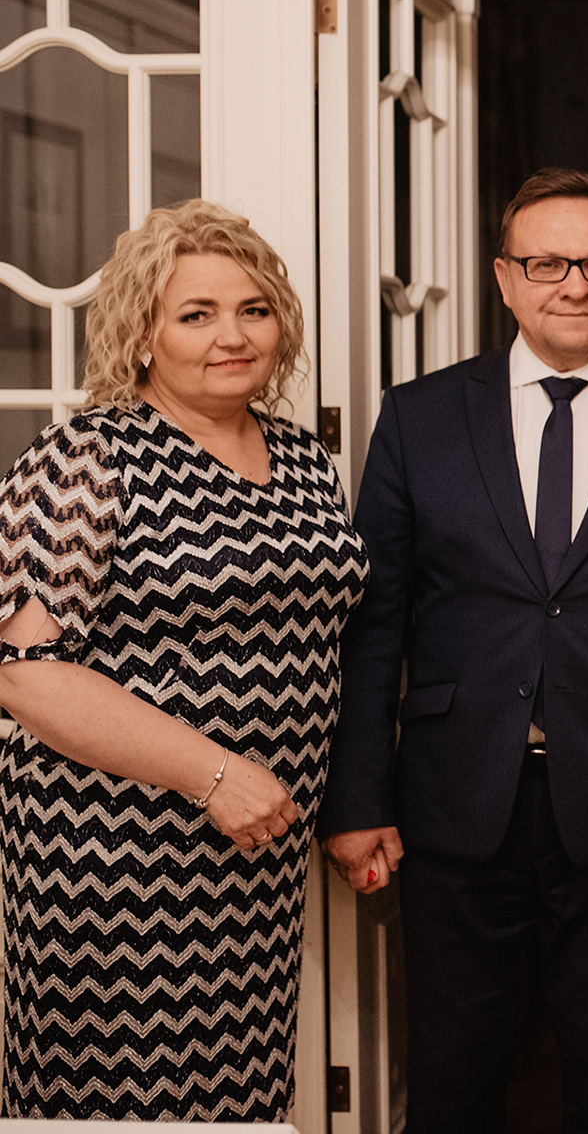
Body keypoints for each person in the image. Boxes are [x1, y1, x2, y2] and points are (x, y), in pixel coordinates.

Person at [317, 168, 588, 1134]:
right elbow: (376, 622)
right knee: (454, 1079)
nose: (573, 284)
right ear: (504, 279)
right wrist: (359, 796)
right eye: (547, 264)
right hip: (455, 802)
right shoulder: (418, 417)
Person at [0, 200, 368, 1120]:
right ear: (142, 336)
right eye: (196, 314)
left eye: (253, 309)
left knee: (239, 1096)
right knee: (117, 1104)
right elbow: (23, 671)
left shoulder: (303, 458)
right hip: (111, 858)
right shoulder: (88, 457)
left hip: (256, 859)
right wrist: (214, 774)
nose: (231, 336)